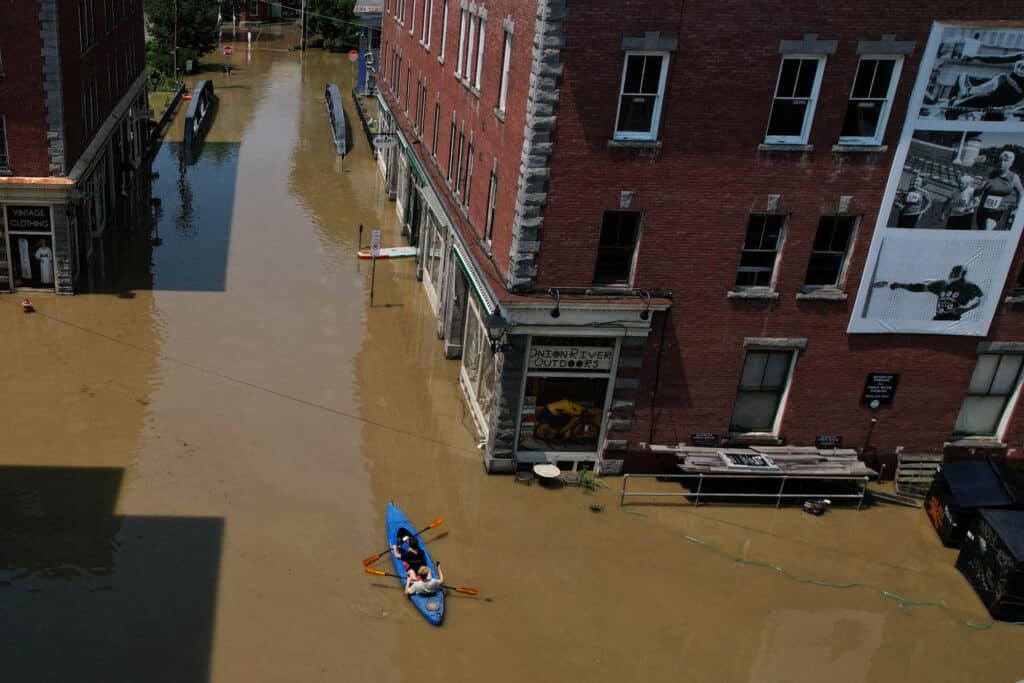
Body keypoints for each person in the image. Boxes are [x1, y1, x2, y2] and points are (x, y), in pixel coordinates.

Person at [887, 265, 983, 321]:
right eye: (952, 272)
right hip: (937, 319)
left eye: (955, 273)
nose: (951, 275)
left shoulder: (968, 286)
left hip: (953, 321)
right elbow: (919, 287)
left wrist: (967, 308)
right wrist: (900, 285)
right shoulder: (942, 284)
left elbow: (977, 299)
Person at [975, 150, 1023, 230]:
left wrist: (1017, 208)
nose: (1002, 163)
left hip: (999, 210)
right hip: (983, 209)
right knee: (981, 231)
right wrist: (978, 192)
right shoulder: (991, 174)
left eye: (1005, 161)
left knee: (987, 228)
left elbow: (1021, 193)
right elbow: (978, 190)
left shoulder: (1014, 177)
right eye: (1000, 160)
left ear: (1011, 163)